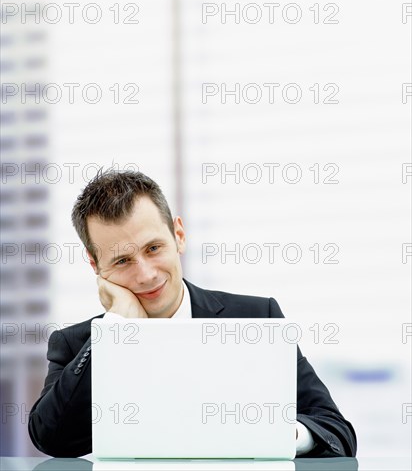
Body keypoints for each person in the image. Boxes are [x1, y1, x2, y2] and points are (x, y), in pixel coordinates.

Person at [28, 169, 357, 458]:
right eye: (122, 261)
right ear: (95, 265)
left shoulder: (257, 318)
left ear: (179, 235)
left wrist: (279, 434)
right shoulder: (77, 345)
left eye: (153, 248)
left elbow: (336, 432)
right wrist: (116, 329)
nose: (146, 275)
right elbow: (51, 439)